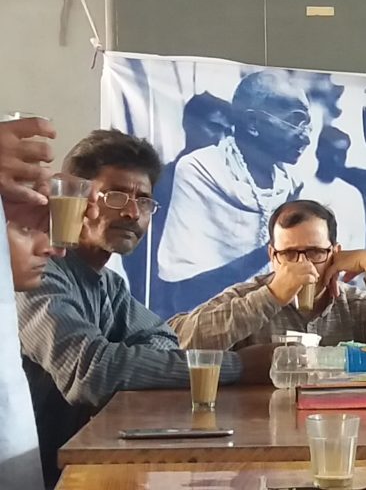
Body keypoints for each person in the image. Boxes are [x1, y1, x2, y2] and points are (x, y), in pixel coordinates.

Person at [16, 129, 277, 486]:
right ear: (74, 196)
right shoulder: (37, 273)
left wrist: (124, 360)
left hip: (78, 467)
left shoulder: (110, 285)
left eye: (143, 200)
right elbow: (92, 372)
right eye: (116, 195)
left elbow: (164, 341)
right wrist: (236, 366)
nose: (131, 211)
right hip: (28, 474)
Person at [169, 200, 366, 350]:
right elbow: (179, 342)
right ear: (273, 255)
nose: (302, 265)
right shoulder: (246, 298)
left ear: (335, 253)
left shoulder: (358, 307)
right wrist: (272, 296)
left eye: (315, 252)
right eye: (289, 254)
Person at [158, 71, 311, 310]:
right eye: (296, 120)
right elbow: (188, 287)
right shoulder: (200, 169)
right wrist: (278, 243)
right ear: (253, 123)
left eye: (307, 124)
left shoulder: (290, 182)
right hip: (208, 323)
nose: (306, 137)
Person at [123, 91, 232, 316]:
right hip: (166, 312)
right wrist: (155, 313)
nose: (219, 139)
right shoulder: (163, 183)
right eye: (214, 127)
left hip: (215, 311)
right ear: (188, 125)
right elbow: (143, 255)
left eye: (227, 131)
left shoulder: (226, 188)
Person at [0, 115, 58, 490]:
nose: (49, 247)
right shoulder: (50, 295)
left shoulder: (107, 284)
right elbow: (94, 371)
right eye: (24, 229)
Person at [300, 126, 366, 253]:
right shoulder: (302, 190)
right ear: (318, 152)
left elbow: (358, 241)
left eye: (342, 154)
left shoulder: (352, 194)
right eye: (332, 153)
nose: (337, 160)